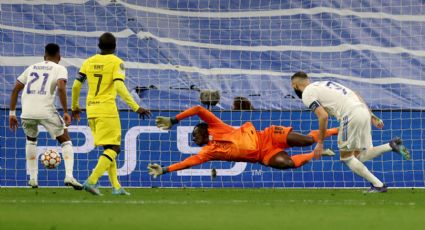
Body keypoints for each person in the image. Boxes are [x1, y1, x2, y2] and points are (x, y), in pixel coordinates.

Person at [290, 71, 410, 193]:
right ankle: (391, 145)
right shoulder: (325, 83)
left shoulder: (307, 94)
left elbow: (323, 116)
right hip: (363, 111)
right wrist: (372, 116)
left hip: (350, 115)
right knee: (359, 155)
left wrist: (320, 143)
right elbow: (355, 94)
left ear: (295, 86)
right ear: (307, 80)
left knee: (346, 158)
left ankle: (378, 185)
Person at [147, 105, 338, 177]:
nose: (194, 137)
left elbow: (198, 109)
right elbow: (187, 162)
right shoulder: (208, 151)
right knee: (287, 163)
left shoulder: (216, 125)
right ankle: (316, 154)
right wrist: (165, 169)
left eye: (195, 132)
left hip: (267, 136)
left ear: (205, 129)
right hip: (264, 155)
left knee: (305, 140)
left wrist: (173, 120)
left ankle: (336, 130)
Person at [71, 32, 151, 196]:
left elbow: (75, 86)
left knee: (109, 147)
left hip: (91, 109)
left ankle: (116, 187)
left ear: (99, 46)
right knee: (115, 148)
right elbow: (120, 87)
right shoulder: (117, 62)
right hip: (106, 109)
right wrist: (136, 107)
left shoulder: (88, 62)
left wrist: (75, 106)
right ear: (115, 47)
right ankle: (92, 181)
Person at [9, 43, 82, 190]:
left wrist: (12, 113)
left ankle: (33, 179)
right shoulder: (60, 68)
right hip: (45, 110)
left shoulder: (32, 68)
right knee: (65, 139)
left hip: (27, 112)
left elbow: (16, 89)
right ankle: (69, 176)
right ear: (59, 57)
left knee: (31, 140)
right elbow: (61, 87)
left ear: (44, 56)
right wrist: (66, 111)